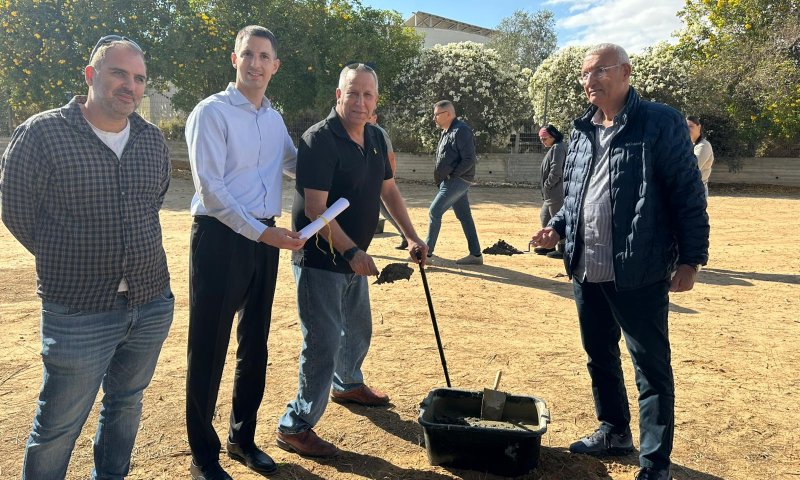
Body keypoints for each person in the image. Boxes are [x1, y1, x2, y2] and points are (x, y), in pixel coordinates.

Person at [530, 43, 709, 480]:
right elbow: (574, 198)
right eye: (584, 74)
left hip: (639, 269)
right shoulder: (581, 131)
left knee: (650, 366)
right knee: (599, 355)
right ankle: (613, 430)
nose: (589, 81)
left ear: (625, 72)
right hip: (586, 267)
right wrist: (557, 227)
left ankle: (654, 464)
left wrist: (691, 260)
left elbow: (688, 193)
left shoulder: (659, 122)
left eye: (599, 72)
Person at [0, 35, 174, 479]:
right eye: (119, 73)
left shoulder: (152, 141)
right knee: (58, 425)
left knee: (125, 404)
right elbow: (15, 209)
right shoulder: (42, 134)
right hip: (78, 311)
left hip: (150, 302)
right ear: (91, 75)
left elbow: (151, 202)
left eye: (139, 78)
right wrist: (67, 256)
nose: (130, 86)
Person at [276, 63, 427, 458]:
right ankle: (296, 425)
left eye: (368, 95)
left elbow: (388, 190)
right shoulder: (319, 140)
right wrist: (350, 251)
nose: (360, 101)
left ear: (376, 101)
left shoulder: (375, 137)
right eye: (353, 93)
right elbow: (314, 209)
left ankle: (347, 384)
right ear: (338, 95)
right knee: (323, 342)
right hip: (322, 260)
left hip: (353, 256)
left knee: (358, 329)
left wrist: (410, 235)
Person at [184, 25, 305, 480]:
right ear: (234, 59)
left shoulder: (274, 119)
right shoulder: (210, 112)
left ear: (275, 65)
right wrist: (260, 233)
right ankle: (203, 456)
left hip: (264, 238)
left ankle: (242, 437)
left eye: (264, 56)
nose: (255, 63)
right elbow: (211, 190)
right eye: (248, 54)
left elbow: (296, 163)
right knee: (209, 347)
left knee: (255, 344)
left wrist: (350, 146)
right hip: (220, 237)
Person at [423, 100, 483, 265]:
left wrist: (452, 176)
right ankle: (476, 255)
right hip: (452, 180)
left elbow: (469, 159)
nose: (434, 118)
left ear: (447, 114)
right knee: (465, 216)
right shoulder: (446, 131)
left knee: (434, 211)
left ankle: (426, 254)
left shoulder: (461, 131)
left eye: (436, 115)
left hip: (457, 181)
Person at [371, 111, 407, 250]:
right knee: (385, 211)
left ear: (375, 117)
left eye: (369, 117)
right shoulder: (368, 132)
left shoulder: (380, 133)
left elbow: (390, 157)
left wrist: (389, 180)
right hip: (374, 180)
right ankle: (404, 235)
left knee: (389, 210)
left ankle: (406, 235)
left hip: (382, 181)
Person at [535, 124, 567, 259]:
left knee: (558, 222)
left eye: (545, 138)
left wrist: (548, 185)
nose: (543, 142)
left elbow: (556, 170)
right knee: (545, 216)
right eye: (541, 139)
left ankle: (563, 249)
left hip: (556, 192)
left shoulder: (558, 148)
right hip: (551, 193)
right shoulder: (555, 147)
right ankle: (549, 245)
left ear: (553, 136)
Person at [687, 115, 714, 198]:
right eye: (685, 127)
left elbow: (691, 168)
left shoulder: (703, 146)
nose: (687, 129)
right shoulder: (688, 145)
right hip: (688, 189)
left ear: (699, 127)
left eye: (691, 126)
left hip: (696, 191)